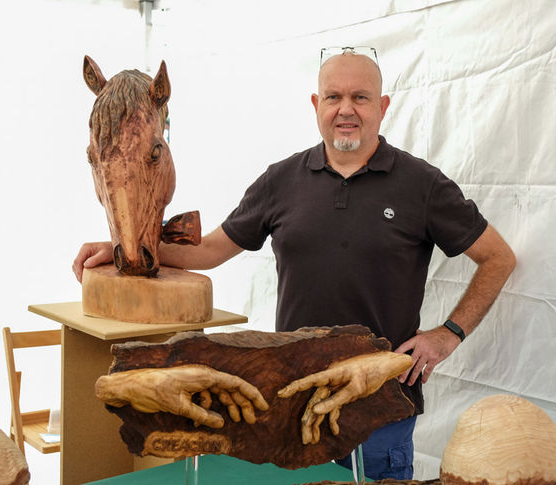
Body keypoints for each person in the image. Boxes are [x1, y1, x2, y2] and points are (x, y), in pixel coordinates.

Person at [73, 47, 516, 480]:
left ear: (381, 107)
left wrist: (448, 335)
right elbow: (208, 252)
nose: (346, 109)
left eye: (360, 97)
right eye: (333, 97)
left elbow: (498, 257)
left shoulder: (422, 185)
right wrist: (123, 246)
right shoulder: (280, 180)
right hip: (289, 409)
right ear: (315, 105)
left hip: (379, 410)